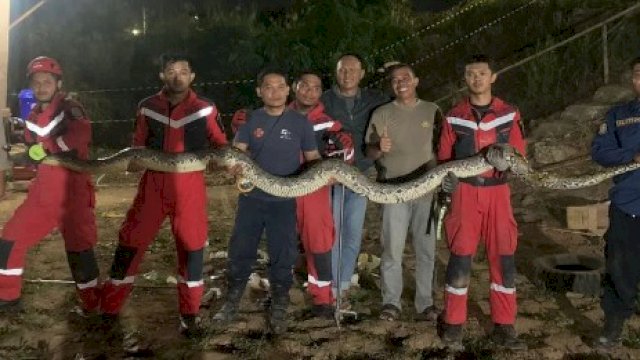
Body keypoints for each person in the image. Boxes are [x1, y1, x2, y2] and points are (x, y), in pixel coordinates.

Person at [99, 53, 228, 338]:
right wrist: (132, 163)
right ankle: (109, 308)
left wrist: (225, 162)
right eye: (171, 71)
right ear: (162, 76)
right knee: (129, 242)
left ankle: (190, 316)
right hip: (152, 187)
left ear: (192, 77)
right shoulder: (147, 107)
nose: (177, 76)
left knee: (192, 249)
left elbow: (221, 145)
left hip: (191, 188)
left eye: (183, 71)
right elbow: (137, 146)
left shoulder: (206, 108)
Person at [212, 69, 321, 334]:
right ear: (259, 92)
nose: (274, 92)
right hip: (252, 199)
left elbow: (313, 158)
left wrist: (325, 174)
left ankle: (280, 305)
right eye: (268, 87)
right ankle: (231, 302)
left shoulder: (301, 122)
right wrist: (231, 167)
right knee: (240, 250)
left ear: (288, 90)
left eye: (280, 86)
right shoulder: (251, 120)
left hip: (284, 200)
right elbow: (236, 155)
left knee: (283, 254)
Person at [437, 54, 527, 350]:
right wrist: (446, 182)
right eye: (470, 73)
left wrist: (509, 160)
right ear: (465, 78)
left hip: (498, 193)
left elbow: (520, 156)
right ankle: (452, 322)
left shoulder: (509, 113)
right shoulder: (453, 115)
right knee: (460, 256)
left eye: (482, 73)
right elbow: (444, 159)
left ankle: (504, 324)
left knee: (503, 257)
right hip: (465, 193)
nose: (477, 78)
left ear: (493, 77)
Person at [0, 56, 100, 314]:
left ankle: (92, 305)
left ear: (58, 83)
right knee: (10, 238)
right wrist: (34, 154)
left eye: (47, 81)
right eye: (36, 82)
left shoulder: (71, 108)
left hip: (73, 192)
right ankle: (7, 297)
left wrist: (43, 151)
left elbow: (78, 138)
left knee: (80, 248)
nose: (41, 87)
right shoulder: (32, 114)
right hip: (43, 193)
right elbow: (33, 146)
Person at [365, 63, 440, 322]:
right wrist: (379, 146)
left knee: (426, 249)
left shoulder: (433, 110)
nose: (401, 82)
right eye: (395, 80)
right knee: (392, 250)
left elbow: (442, 149)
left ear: (416, 80)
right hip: (393, 189)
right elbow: (369, 152)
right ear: (391, 85)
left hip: (426, 190)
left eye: (405, 77)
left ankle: (425, 303)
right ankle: (391, 303)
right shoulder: (382, 113)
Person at [321, 54, 388, 307]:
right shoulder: (324, 100)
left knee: (352, 233)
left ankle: (344, 285)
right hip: (330, 175)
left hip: (360, 175)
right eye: (342, 70)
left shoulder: (374, 99)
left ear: (362, 73)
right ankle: (328, 286)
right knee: (331, 233)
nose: (347, 74)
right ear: (336, 73)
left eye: (352, 70)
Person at [290, 71, 354, 318]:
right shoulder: (279, 116)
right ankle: (281, 295)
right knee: (282, 243)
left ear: (320, 93)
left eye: (316, 88)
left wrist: (342, 147)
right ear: (295, 87)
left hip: (314, 191)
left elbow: (347, 160)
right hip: (282, 186)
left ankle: (323, 301)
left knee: (319, 243)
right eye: (304, 85)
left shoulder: (329, 123)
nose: (309, 91)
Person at [591, 56, 640, 349]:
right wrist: (632, 158)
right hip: (628, 204)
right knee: (620, 267)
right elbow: (601, 151)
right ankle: (614, 324)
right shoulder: (619, 115)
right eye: (638, 74)